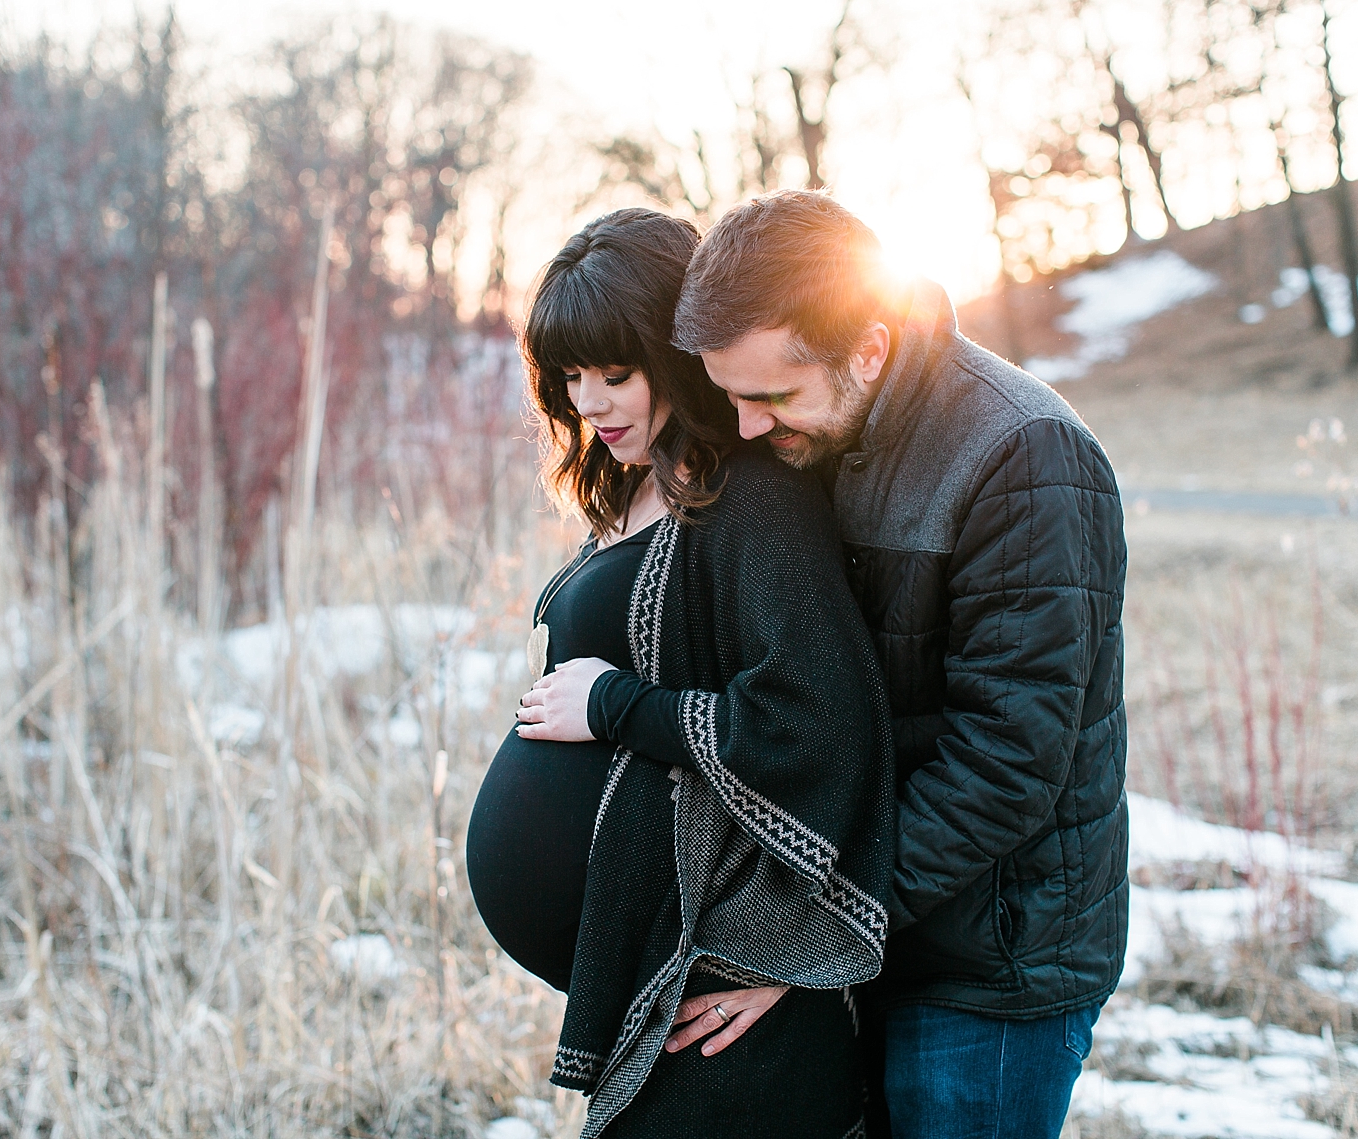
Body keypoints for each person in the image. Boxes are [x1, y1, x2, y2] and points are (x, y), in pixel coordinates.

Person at [668, 190, 1129, 1139]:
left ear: (868, 349)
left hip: (988, 966)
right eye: (729, 396)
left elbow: (1005, 765)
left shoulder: (1021, 454)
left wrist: (806, 927)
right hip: (876, 931)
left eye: (770, 397)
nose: (747, 428)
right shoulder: (821, 433)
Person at [464, 207, 896, 1139]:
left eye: (616, 373)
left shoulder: (754, 501)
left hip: (722, 1000)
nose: (590, 401)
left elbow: (815, 722)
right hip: (663, 984)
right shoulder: (639, 487)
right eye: (571, 376)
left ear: (680, 351)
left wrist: (616, 705)